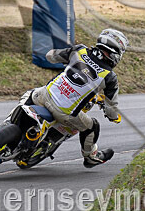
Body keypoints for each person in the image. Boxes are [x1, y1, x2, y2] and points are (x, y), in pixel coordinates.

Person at [30, 28, 128, 168]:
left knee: (30, 95)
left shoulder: (79, 50)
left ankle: (5, 126)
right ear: (115, 53)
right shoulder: (109, 77)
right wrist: (113, 117)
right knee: (92, 126)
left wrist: (66, 61)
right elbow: (111, 107)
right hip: (64, 113)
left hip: (43, 96)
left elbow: (50, 56)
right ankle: (91, 157)